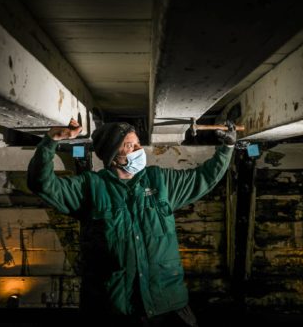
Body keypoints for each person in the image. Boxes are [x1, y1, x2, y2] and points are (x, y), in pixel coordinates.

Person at [27, 118, 236, 326]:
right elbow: (42, 184)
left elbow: (204, 178)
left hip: (168, 305)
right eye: (130, 145)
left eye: (137, 143)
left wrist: (227, 147)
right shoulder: (90, 187)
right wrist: (50, 141)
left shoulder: (161, 181)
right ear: (113, 156)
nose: (139, 149)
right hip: (113, 310)